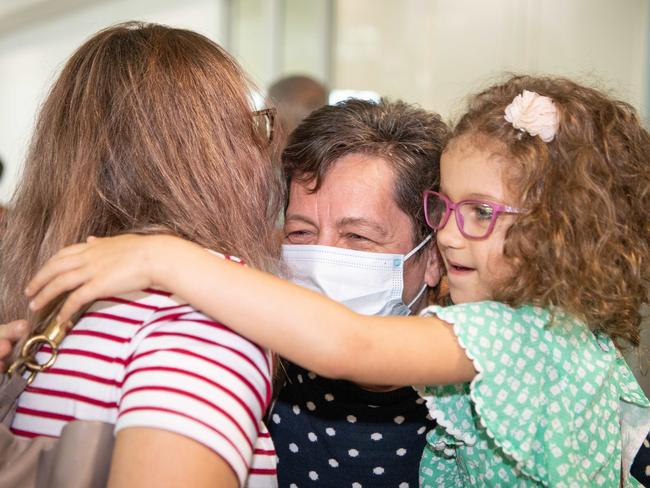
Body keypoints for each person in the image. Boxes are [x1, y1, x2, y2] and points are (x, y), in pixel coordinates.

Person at [26, 74, 650, 486]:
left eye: (358, 238)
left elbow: (352, 345)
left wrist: (169, 259)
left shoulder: (517, 337)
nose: (456, 233)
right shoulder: (572, 341)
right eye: (299, 233)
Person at [0, 22, 281, 487]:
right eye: (251, 127)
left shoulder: (61, 297)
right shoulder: (207, 315)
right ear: (209, 154)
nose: (262, 150)